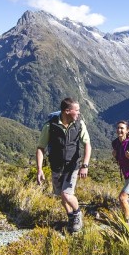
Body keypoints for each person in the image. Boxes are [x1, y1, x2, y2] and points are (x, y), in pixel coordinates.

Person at [36, 97, 91, 233]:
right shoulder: (50, 126)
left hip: (73, 165)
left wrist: (85, 165)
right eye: (76, 110)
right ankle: (70, 216)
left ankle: (77, 214)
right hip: (57, 166)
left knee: (66, 194)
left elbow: (87, 145)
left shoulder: (79, 124)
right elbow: (40, 148)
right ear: (67, 111)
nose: (79, 113)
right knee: (61, 195)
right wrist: (39, 170)